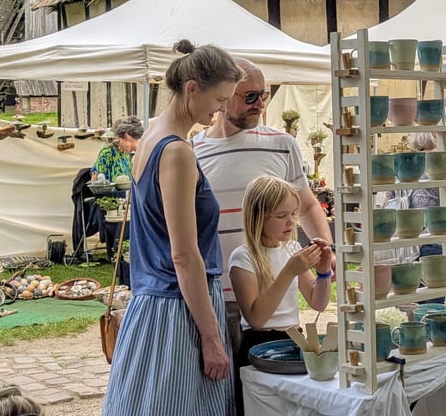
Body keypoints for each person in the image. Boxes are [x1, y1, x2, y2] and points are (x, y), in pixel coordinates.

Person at [102, 40, 242, 416]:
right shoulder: (176, 151)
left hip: (151, 305)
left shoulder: (149, 138)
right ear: (192, 88)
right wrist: (212, 338)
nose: (222, 109)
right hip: (177, 311)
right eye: (219, 99)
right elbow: (183, 254)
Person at [192, 58, 333, 358]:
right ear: (223, 97)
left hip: (273, 296)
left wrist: (328, 252)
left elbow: (306, 204)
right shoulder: (193, 151)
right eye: (250, 97)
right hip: (217, 294)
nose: (259, 104)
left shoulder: (283, 144)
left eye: (264, 95)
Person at [229, 175, 333, 414]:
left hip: (292, 342)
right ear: (258, 216)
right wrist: (289, 271)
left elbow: (317, 303)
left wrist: (324, 272)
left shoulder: (292, 249)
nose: (291, 222)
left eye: (294, 214)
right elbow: (256, 318)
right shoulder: (243, 258)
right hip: (260, 348)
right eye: (281, 215)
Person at [92, 116, 144, 260]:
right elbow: (95, 176)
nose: (118, 143)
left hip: (127, 194)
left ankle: (127, 250)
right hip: (111, 195)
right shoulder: (106, 152)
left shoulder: (127, 153)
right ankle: (117, 252)